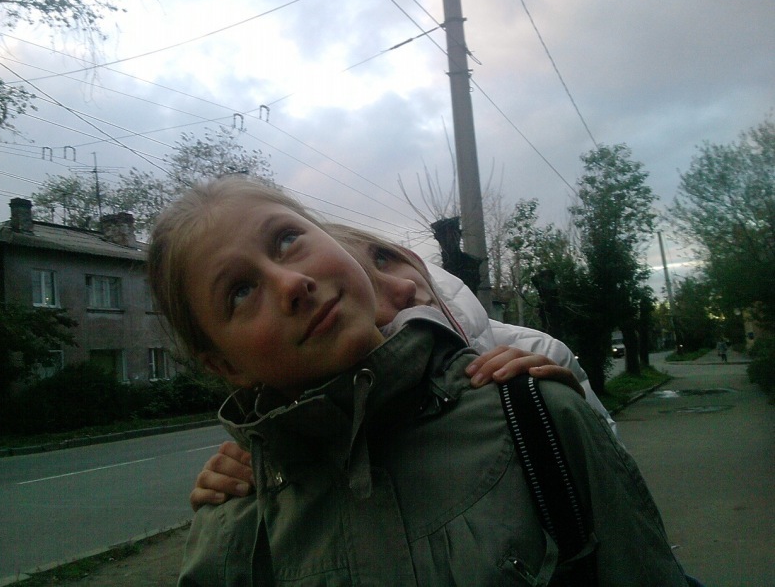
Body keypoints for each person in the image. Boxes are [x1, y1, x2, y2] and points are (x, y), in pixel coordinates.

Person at [150, 175, 689, 585]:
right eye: (240, 292)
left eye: (288, 238)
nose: (291, 283)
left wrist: (541, 407)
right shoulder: (231, 534)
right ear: (224, 366)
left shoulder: (536, 413)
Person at [189, 224, 616, 509]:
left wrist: (565, 419)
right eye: (368, 292)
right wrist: (247, 481)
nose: (404, 286)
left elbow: (615, 494)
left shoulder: (537, 352)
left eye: (383, 258)